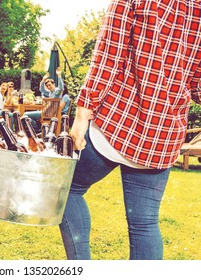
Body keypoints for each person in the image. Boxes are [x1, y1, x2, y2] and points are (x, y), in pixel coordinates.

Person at [60, 0, 201, 260]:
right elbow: (197, 84)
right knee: (145, 223)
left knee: (65, 188)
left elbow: (108, 56)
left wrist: (82, 114)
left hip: (118, 123)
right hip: (163, 134)